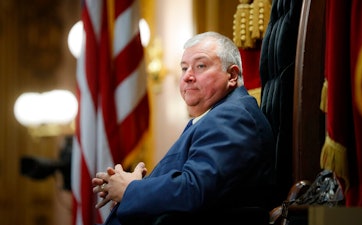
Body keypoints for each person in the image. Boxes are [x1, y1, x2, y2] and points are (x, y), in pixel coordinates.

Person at [92, 31, 277, 225]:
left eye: (200, 66)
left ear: (232, 75)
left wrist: (130, 190)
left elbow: (194, 189)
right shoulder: (216, 115)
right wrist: (135, 186)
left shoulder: (232, 116)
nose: (188, 76)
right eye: (184, 68)